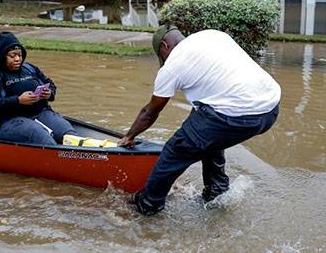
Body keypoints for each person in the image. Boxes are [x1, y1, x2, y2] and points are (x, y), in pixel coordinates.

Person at [118, 26, 281, 216]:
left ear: (165, 46)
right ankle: (216, 194)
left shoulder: (173, 65)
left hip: (237, 114)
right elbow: (207, 102)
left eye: (162, 57)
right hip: (270, 108)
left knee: (175, 150)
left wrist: (129, 136)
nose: (164, 61)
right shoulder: (212, 36)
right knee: (207, 139)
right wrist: (191, 132)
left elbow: (150, 111)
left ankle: (147, 205)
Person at [0, 31, 76, 144]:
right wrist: (18, 100)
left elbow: (49, 82)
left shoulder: (29, 68)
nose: (17, 59)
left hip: (40, 113)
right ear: (2, 56)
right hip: (9, 121)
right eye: (12, 56)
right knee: (42, 137)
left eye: (19, 55)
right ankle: (56, 157)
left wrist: (49, 93)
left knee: (67, 132)